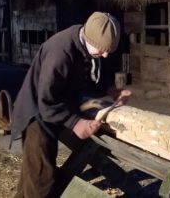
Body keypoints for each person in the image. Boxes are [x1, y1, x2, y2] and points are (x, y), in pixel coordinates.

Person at [11, 11, 131, 198]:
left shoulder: (83, 42)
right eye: (102, 49)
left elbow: (83, 80)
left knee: (32, 176)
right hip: (37, 116)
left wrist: (109, 90)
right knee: (42, 179)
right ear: (89, 38)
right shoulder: (60, 52)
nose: (105, 54)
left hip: (53, 109)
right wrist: (75, 122)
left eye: (109, 50)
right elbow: (46, 101)